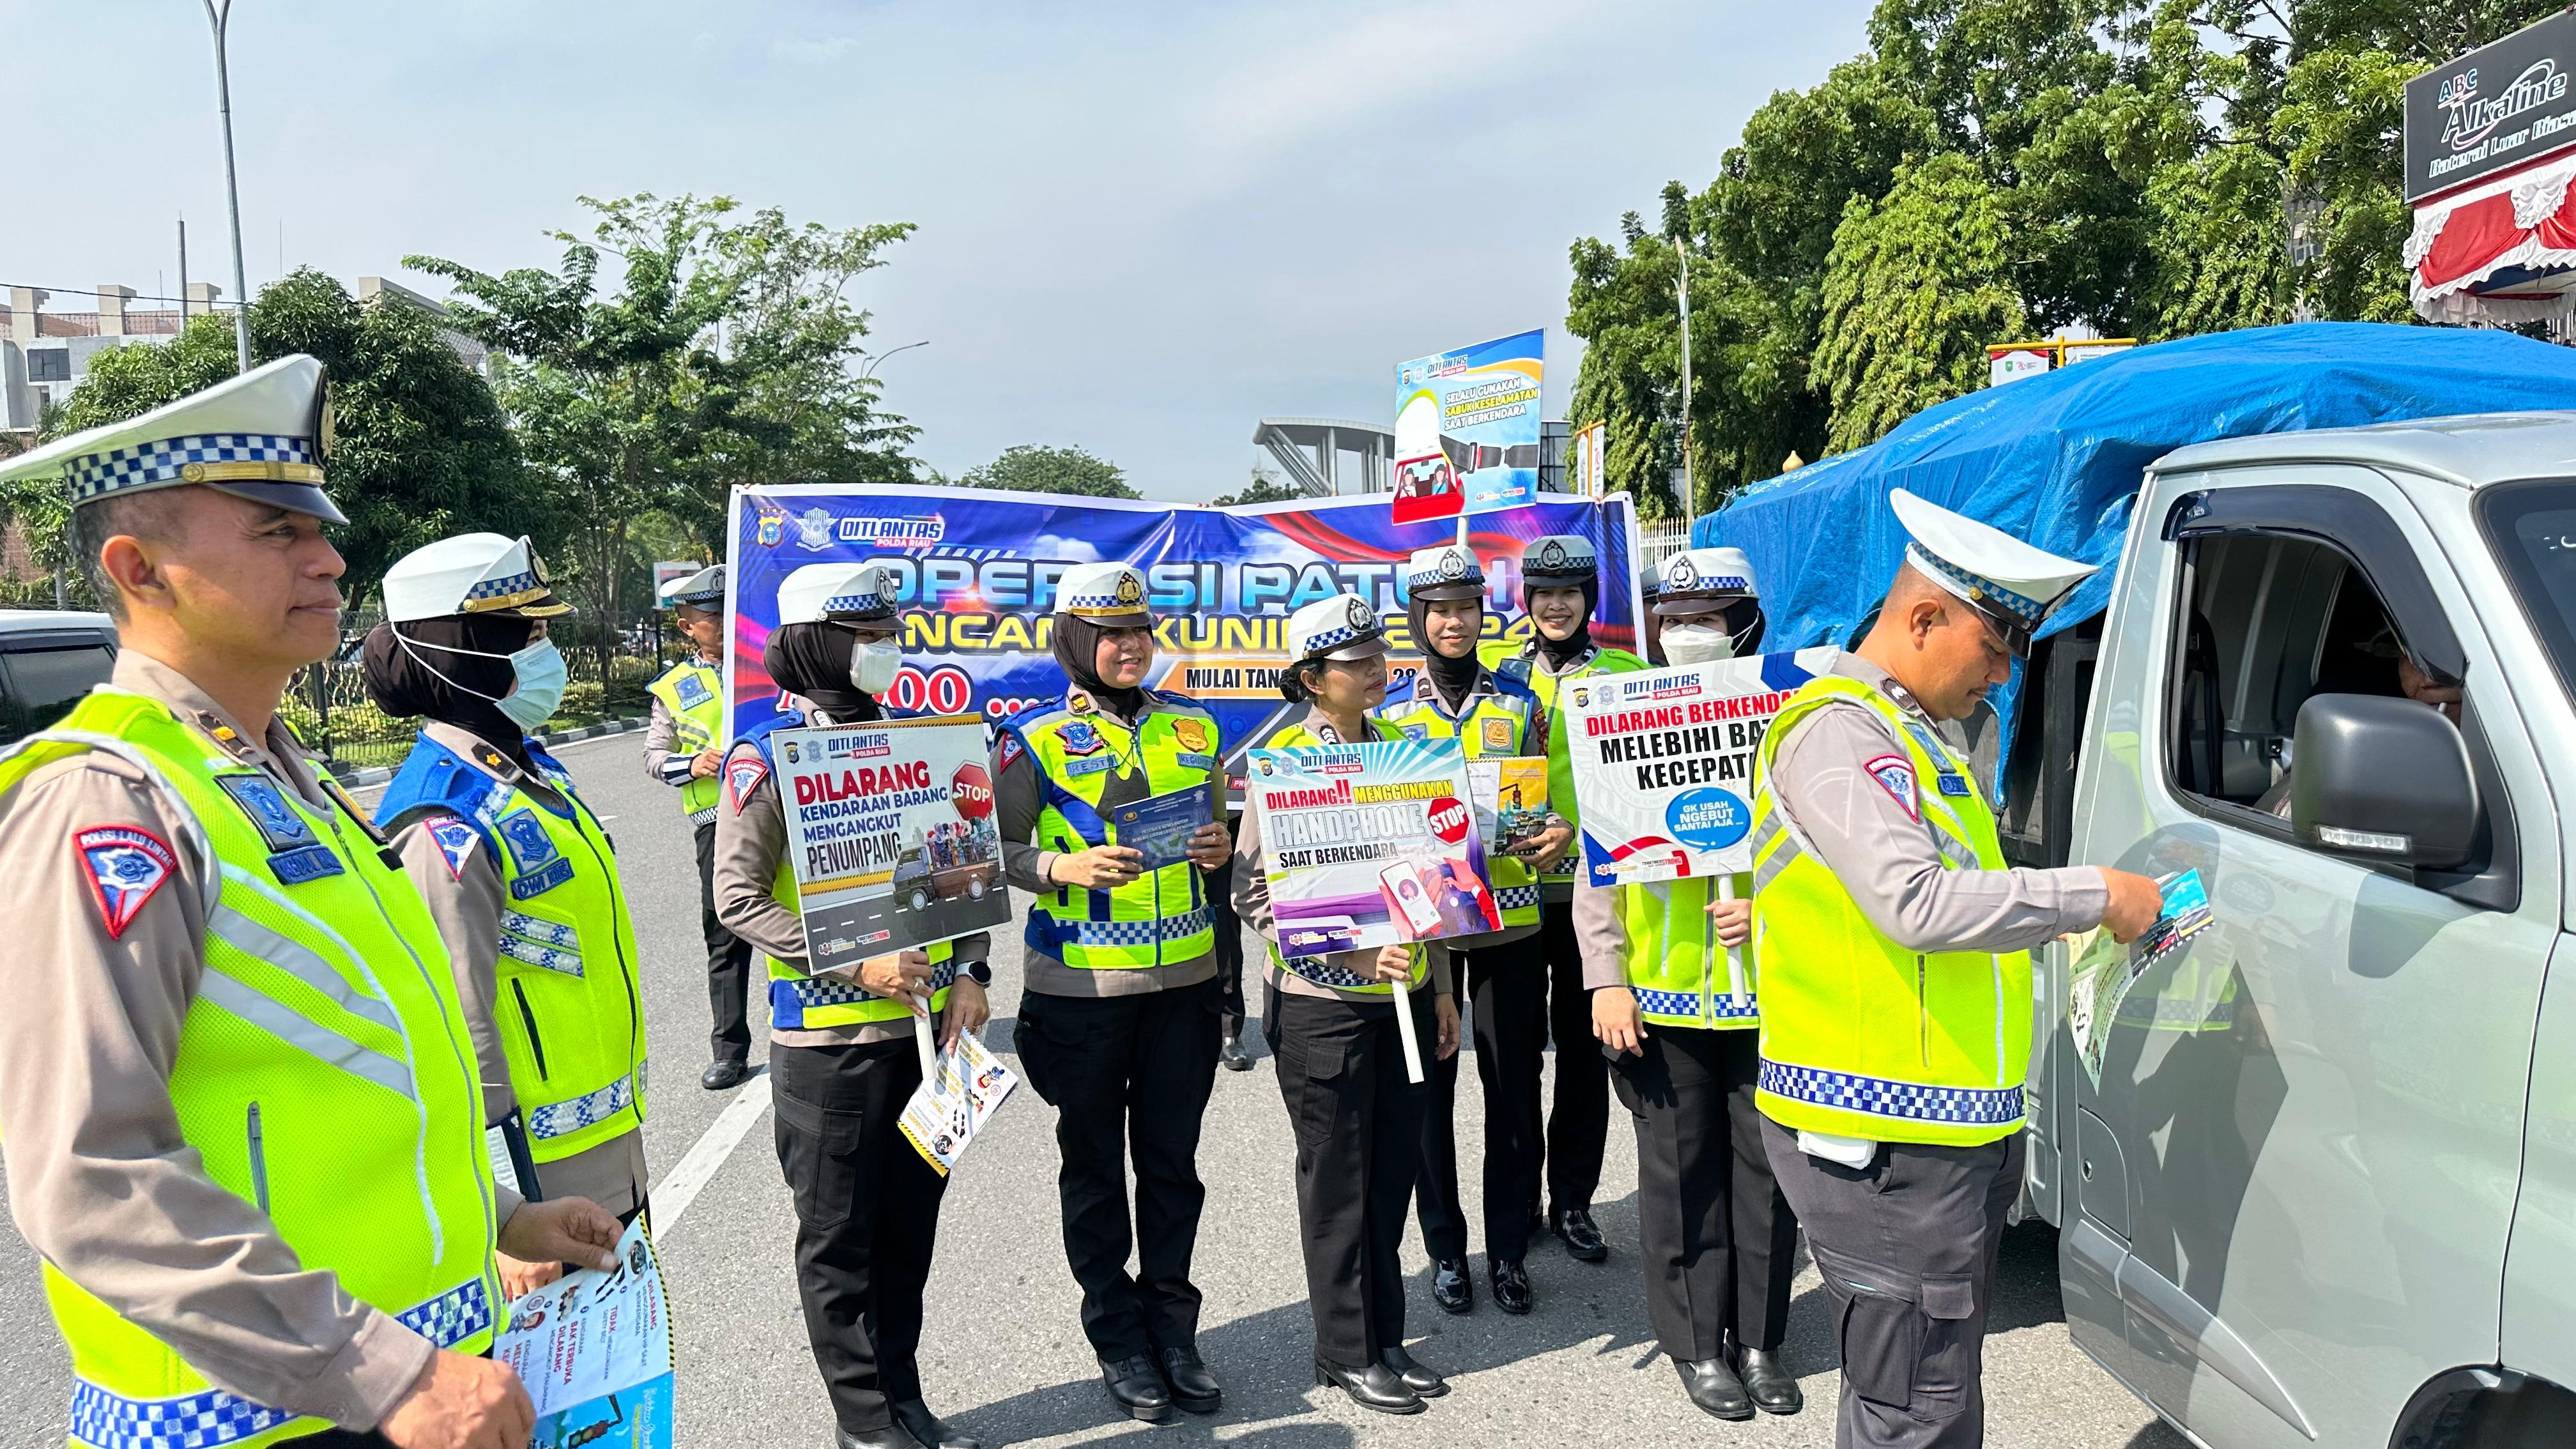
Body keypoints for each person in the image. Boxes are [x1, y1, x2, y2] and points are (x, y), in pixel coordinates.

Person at [0, 355, 620, 1449]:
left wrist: (497, 1217)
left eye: (321, 528)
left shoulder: (289, 779)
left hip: (392, 1381)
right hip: (267, 1415)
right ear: (138, 566)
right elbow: (89, 1172)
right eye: (275, 532)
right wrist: (378, 1372)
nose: (330, 556)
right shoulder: (110, 800)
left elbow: (332, 1095)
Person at [1747, 489, 2163, 1448]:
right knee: (1916, 1412)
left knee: (1927, 1397)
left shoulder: (1917, 742)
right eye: (1999, 642)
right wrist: (2091, 895)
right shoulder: (1844, 735)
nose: (2007, 673)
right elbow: (1918, 904)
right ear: (1925, 616)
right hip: (1882, 1141)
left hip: (1932, 1133)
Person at [713, 562, 993, 1449]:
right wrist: (855, 957)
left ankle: (905, 1401)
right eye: (867, 635)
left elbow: (962, 874)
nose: (885, 650)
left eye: (888, 632)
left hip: (928, 1043)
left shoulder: (923, 746)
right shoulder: (766, 758)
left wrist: (974, 973)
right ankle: (866, 1425)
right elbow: (738, 899)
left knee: (909, 1241)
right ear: (817, 645)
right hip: (830, 1048)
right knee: (840, 1248)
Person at [367, 533, 652, 1301]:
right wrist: (504, 1210)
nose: (545, 649)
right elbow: (456, 1024)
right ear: (457, 652)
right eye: (525, 634)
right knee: (568, 1411)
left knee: (630, 1395)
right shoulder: (441, 815)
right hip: (539, 1186)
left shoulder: (531, 771)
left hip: (604, 1143)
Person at [989, 562, 1234, 1423]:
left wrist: (1217, 847)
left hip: (1186, 986)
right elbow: (992, 852)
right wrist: (1062, 865)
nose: (1129, 647)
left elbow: (1221, 833)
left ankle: (1174, 1328)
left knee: (1173, 1167)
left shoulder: (1195, 728)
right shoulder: (1032, 739)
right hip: (1081, 992)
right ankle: (1118, 1337)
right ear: (1073, 641)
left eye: (1139, 630)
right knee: (1094, 1171)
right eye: (1109, 633)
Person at [1578, 546, 1801, 1421]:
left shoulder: (1790, 718)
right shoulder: (1621, 717)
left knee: (1768, 1174)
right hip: (1661, 999)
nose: (1687, 634)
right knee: (1678, 1179)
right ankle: (1700, 1346)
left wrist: (1775, 915)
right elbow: (1600, 870)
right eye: (1672, 619)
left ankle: (1761, 1338)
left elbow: (1823, 849)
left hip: (1767, 993)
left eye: (1705, 618)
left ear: (1744, 620)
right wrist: (1606, 979)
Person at [1232, 592, 1462, 1415]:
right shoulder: (1287, 766)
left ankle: (1385, 1336)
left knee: (1392, 1175)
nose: (1376, 670)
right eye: (1354, 662)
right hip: (1323, 1006)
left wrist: (1435, 983)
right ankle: (1343, 1349)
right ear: (1312, 679)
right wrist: (1353, 949)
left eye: (1378, 656)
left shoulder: (1406, 749)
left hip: (1405, 997)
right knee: (1338, 1183)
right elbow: (1254, 894)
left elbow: (1436, 872)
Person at [1381, 543, 1571, 1318]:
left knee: (1513, 1088)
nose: (1452, 622)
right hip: (1425, 927)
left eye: (1464, 607)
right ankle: (1446, 1248)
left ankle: (1511, 1252)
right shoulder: (1389, 711)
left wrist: (1555, 830)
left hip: (1509, 920)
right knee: (1428, 1090)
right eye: (1437, 610)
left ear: (1482, 613)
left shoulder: (1520, 701)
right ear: (1418, 619)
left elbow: (1543, 806)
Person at [1486, 533, 1648, 1267]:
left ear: (1590, 600)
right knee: (1515, 1057)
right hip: (1518, 898)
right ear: (1527, 601)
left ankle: (1574, 1199)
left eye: (1571, 592)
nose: (1556, 605)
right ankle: (1518, 1199)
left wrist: (1576, 835)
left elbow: (1642, 793)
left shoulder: (1627, 675)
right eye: (1543, 592)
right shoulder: (1501, 679)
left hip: (1599, 891)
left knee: (1586, 1056)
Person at [644, 564, 759, 1091]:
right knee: (726, 936)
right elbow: (654, 758)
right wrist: (692, 765)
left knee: (808, 915)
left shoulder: (765, 664)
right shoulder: (672, 687)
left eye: (726, 613)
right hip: (718, 821)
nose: (723, 623)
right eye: (712, 617)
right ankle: (730, 1050)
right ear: (688, 626)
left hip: (778, 807)